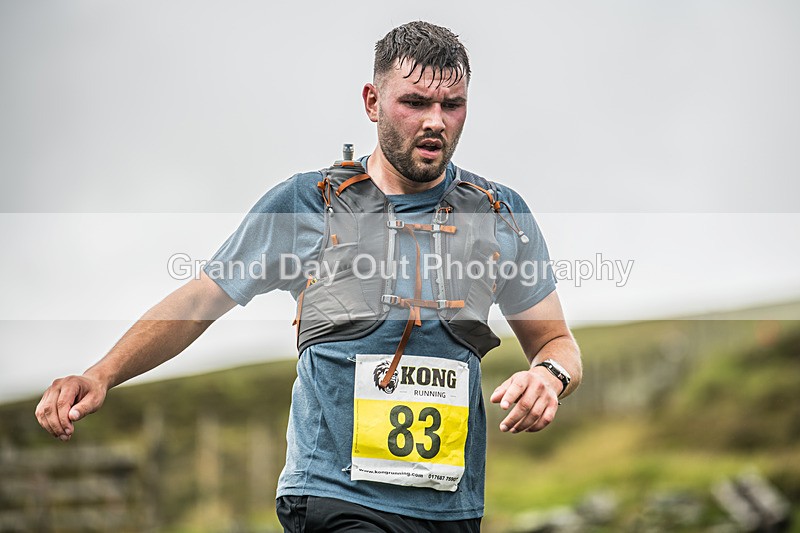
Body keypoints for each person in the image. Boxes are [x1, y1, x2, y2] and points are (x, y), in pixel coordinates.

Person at [35, 21, 581, 532]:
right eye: (414, 102)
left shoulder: (498, 213)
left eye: (452, 104)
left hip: (451, 506)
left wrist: (549, 377)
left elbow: (556, 343)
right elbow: (202, 299)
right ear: (373, 102)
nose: (435, 120)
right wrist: (101, 373)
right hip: (334, 494)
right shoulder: (306, 203)